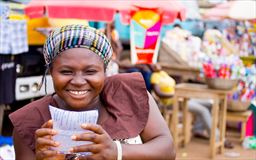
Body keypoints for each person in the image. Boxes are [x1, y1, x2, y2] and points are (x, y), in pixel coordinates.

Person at [9, 25, 176, 160]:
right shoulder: (29, 121)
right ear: (51, 72)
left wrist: (117, 151)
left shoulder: (130, 94)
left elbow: (167, 149)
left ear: (105, 72)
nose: (78, 81)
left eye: (90, 72)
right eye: (66, 72)